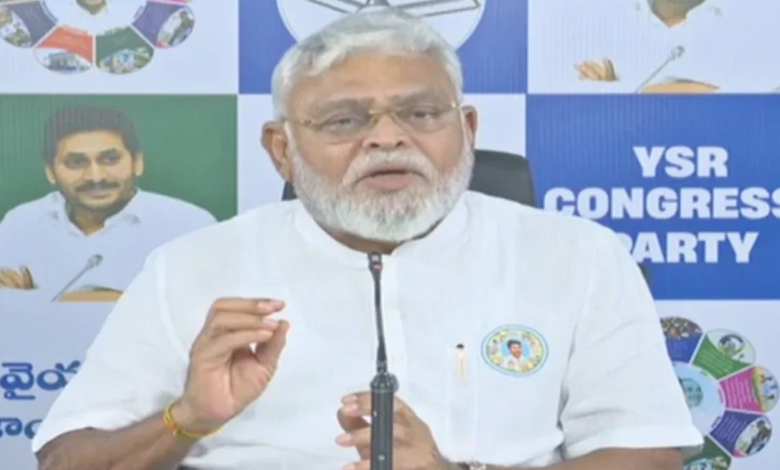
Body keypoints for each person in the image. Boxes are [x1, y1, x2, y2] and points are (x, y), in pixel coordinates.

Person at [32, 9, 702, 470]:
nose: (387, 138)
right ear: (281, 150)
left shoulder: (580, 256)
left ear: (467, 130)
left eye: (421, 113)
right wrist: (186, 418)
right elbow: (66, 459)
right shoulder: (190, 267)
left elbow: (646, 452)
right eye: (344, 120)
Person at [0, 105, 216, 302]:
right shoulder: (21, 221)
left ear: (137, 162)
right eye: (76, 162)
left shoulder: (189, 225)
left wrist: (59, 300)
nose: (95, 176)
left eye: (110, 159)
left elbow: (205, 307)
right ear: (50, 172)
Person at [530, 0, 780, 94]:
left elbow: (762, 97)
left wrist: (619, 92)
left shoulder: (763, 18)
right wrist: (701, 90)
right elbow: (566, 94)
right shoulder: (596, 17)